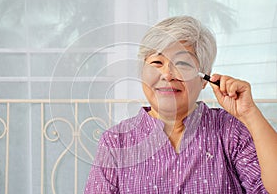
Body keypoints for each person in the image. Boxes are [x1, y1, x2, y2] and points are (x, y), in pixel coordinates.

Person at [84, 16, 277, 193]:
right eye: (157, 62)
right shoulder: (116, 142)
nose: (167, 75)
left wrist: (249, 113)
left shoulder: (229, 131)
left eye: (183, 64)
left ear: (204, 80)